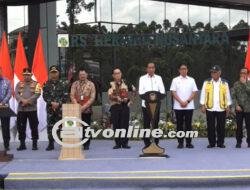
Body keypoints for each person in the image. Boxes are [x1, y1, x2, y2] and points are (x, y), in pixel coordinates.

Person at [200, 65, 232, 148]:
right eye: (212, 72)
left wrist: (228, 107)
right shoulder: (206, 82)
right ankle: (212, 143)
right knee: (210, 126)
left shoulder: (225, 83)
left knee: (221, 127)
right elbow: (203, 94)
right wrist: (202, 105)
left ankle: (220, 143)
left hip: (221, 108)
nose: (213, 74)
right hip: (210, 108)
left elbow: (227, 95)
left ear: (219, 73)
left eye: (215, 72)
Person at [170, 63, 198, 149]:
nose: (183, 70)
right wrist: (181, 102)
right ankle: (180, 143)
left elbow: (194, 92)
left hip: (189, 106)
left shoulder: (191, 80)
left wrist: (187, 101)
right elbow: (173, 92)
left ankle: (189, 143)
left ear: (187, 70)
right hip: (178, 106)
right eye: (182, 69)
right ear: (179, 70)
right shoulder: (175, 80)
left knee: (188, 125)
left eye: (185, 69)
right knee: (179, 125)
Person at [139, 62, 165, 148]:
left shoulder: (159, 78)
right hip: (146, 106)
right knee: (146, 124)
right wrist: (149, 97)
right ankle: (147, 144)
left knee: (156, 124)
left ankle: (156, 143)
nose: (151, 69)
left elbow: (162, 91)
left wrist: (155, 97)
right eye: (149, 68)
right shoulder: (142, 78)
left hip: (156, 106)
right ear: (147, 69)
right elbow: (141, 92)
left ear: (154, 69)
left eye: (152, 67)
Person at [43, 65, 69, 151]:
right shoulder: (46, 84)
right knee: (50, 126)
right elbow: (45, 96)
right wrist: (51, 103)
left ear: (58, 73)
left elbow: (66, 96)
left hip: (60, 109)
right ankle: (51, 144)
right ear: (49, 74)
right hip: (50, 109)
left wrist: (58, 103)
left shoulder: (64, 84)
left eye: (55, 72)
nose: (54, 74)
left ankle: (62, 143)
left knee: (62, 126)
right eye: (52, 73)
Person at [15, 68, 41, 151]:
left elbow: (37, 93)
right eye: (25, 75)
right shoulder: (19, 84)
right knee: (21, 127)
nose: (26, 76)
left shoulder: (36, 84)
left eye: (28, 75)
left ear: (31, 75)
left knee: (34, 126)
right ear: (23, 75)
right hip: (21, 109)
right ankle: (22, 144)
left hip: (32, 109)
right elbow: (16, 94)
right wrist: (22, 100)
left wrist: (28, 101)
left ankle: (34, 144)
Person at [108, 68, 134, 149]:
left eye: (118, 73)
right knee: (116, 125)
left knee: (125, 125)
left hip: (125, 106)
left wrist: (130, 100)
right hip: (115, 106)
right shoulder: (110, 84)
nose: (117, 75)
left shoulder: (126, 83)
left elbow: (134, 91)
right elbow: (110, 95)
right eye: (115, 73)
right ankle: (118, 143)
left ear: (121, 74)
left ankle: (125, 143)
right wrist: (117, 98)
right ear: (113, 75)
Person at [70, 69, 96, 150]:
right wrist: (76, 105)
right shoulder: (75, 84)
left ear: (86, 75)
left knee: (86, 126)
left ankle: (86, 144)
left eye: (84, 74)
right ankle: (77, 142)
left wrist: (84, 106)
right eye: (81, 74)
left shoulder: (91, 84)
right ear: (78, 75)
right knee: (76, 126)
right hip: (76, 109)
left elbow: (92, 97)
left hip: (87, 109)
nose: (82, 76)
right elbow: (72, 95)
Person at [232, 67, 250, 148]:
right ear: (240, 74)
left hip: (248, 108)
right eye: (242, 73)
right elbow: (233, 96)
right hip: (239, 108)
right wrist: (236, 105)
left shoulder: (249, 83)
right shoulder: (236, 84)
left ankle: (249, 142)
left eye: (245, 73)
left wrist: (244, 84)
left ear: (247, 74)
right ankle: (238, 142)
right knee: (239, 126)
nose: (243, 74)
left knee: (249, 126)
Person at [0, 67, 12, 150]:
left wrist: (2, 102)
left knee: (5, 127)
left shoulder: (7, 81)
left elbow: (9, 93)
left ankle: (6, 145)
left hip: (4, 107)